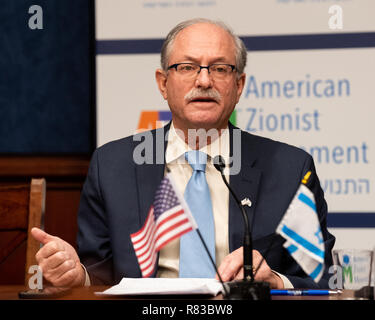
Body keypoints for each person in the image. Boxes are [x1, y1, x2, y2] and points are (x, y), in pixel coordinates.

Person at [31, 18, 335, 289]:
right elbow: (100, 274)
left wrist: (275, 280)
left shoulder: (291, 169)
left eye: (219, 68)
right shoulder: (111, 166)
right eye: (187, 67)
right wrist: (77, 275)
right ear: (163, 83)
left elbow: (321, 278)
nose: (204, 81)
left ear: (239, 84)